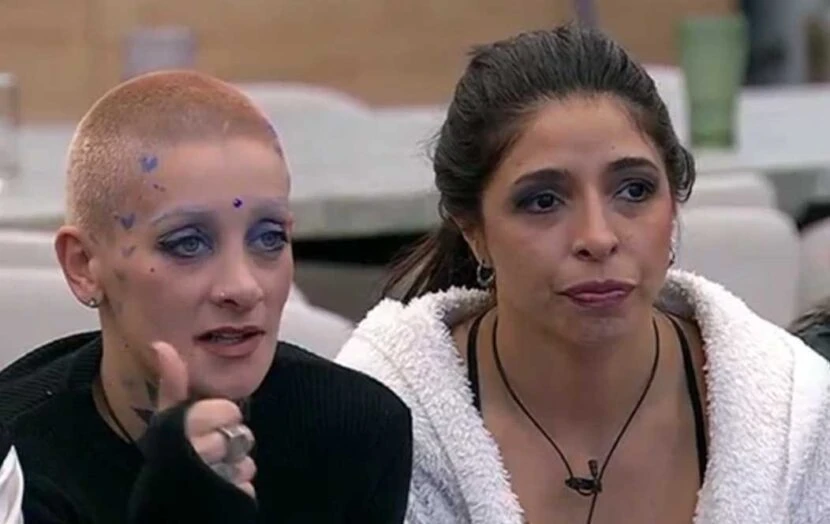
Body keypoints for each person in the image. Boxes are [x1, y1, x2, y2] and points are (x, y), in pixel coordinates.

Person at [337, 25, 830, 524]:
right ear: (474, 232)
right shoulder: (378, 424)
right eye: (543, 201)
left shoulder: (794, 418)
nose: (598, 237)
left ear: (674, 203)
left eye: (634, 190)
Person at [0, 70, 412, 523]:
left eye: (270, 238)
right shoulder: (17, 462)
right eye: (188, 244)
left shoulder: (357, 428)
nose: (243, 287)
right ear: (83, 266)